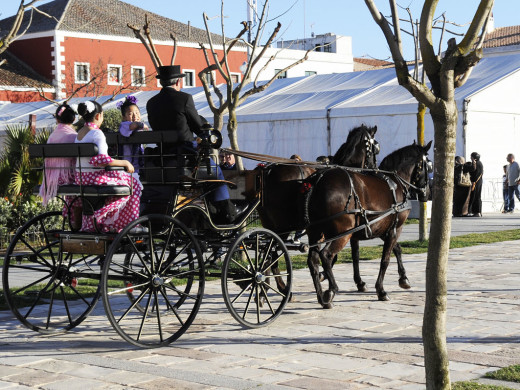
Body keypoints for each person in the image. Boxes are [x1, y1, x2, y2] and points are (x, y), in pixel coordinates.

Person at [146, 65, 240, 224]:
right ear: (177, 82)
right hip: (185, 158)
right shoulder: (184, 98)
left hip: (162, 158)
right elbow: (199, 127)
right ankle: (227, 210)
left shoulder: (151, 103)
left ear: (162, 82)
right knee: (215, 172)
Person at [74, 100, 142, 233]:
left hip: (81, 177)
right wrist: (125, 163)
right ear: (98, 116)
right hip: (95, 178)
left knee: (125, 181)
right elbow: (102, 159)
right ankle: (127, 224)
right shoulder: (96, 133)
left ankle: (106, 220)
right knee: (134, 183)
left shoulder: (80, 133)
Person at [117, 95, 148, 178]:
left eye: (137, 113)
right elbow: (133, 126)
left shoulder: (138, 127)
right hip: (128, 166)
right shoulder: (124, 125)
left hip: (138, 166)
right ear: (124, 117)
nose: (135, 116)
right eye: (130, 114)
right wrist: (142, 125)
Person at [467, 152, 483, 217]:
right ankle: (477, 211)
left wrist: (473, 181)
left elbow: (476, 173)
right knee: (476, 196)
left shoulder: (477, 163)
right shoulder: (479, 163)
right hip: (478, 181)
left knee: (476, 196)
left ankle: (477, 211)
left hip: (476, 182)